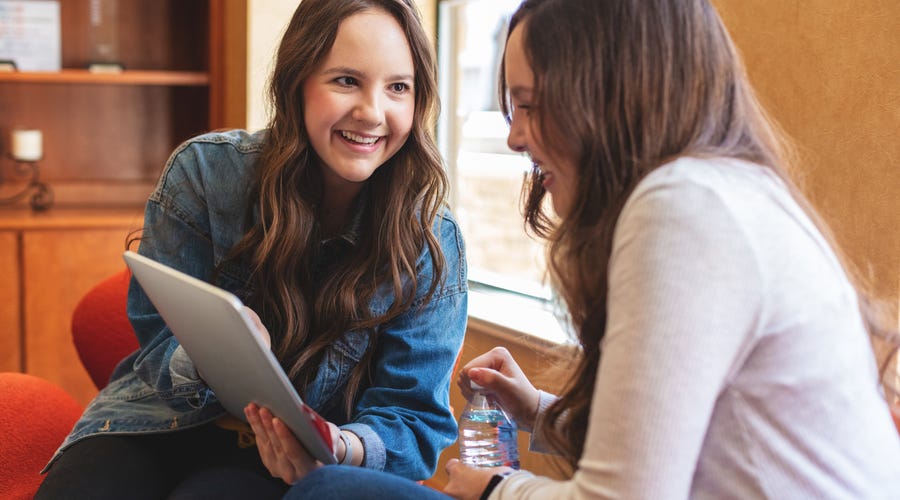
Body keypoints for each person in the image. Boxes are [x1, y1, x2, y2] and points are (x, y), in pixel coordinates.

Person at [285, 0, 900, 499]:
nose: (515, 136)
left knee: (331, 491)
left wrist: (499, 488)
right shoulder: (726, 190)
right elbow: (668, 441)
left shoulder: (684, 209)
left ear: (608, 95)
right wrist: (536, 412)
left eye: (529, 105)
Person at [36, 0, 467, 498]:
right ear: (297, 82)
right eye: (347, 80)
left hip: (286, 462)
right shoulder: (205, 173)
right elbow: (155, 339)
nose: (372, 112)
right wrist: (210, 355)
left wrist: (339, 447)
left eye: (398, 87)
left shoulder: (431, 240)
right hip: (159, 420)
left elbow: (414, 420)